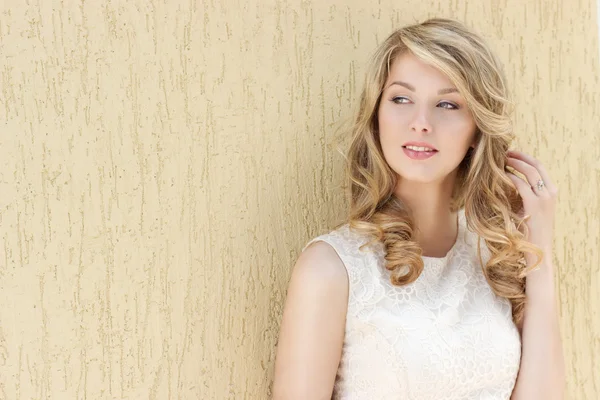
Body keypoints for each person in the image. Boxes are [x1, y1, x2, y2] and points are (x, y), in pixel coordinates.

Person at [272, 18, 565, 399]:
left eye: (447, 104)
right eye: (401, 99)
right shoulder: (332, 268)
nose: (420, 123)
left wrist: (538, 247)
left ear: (477, 128)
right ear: (377, 117)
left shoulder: (495, 258)